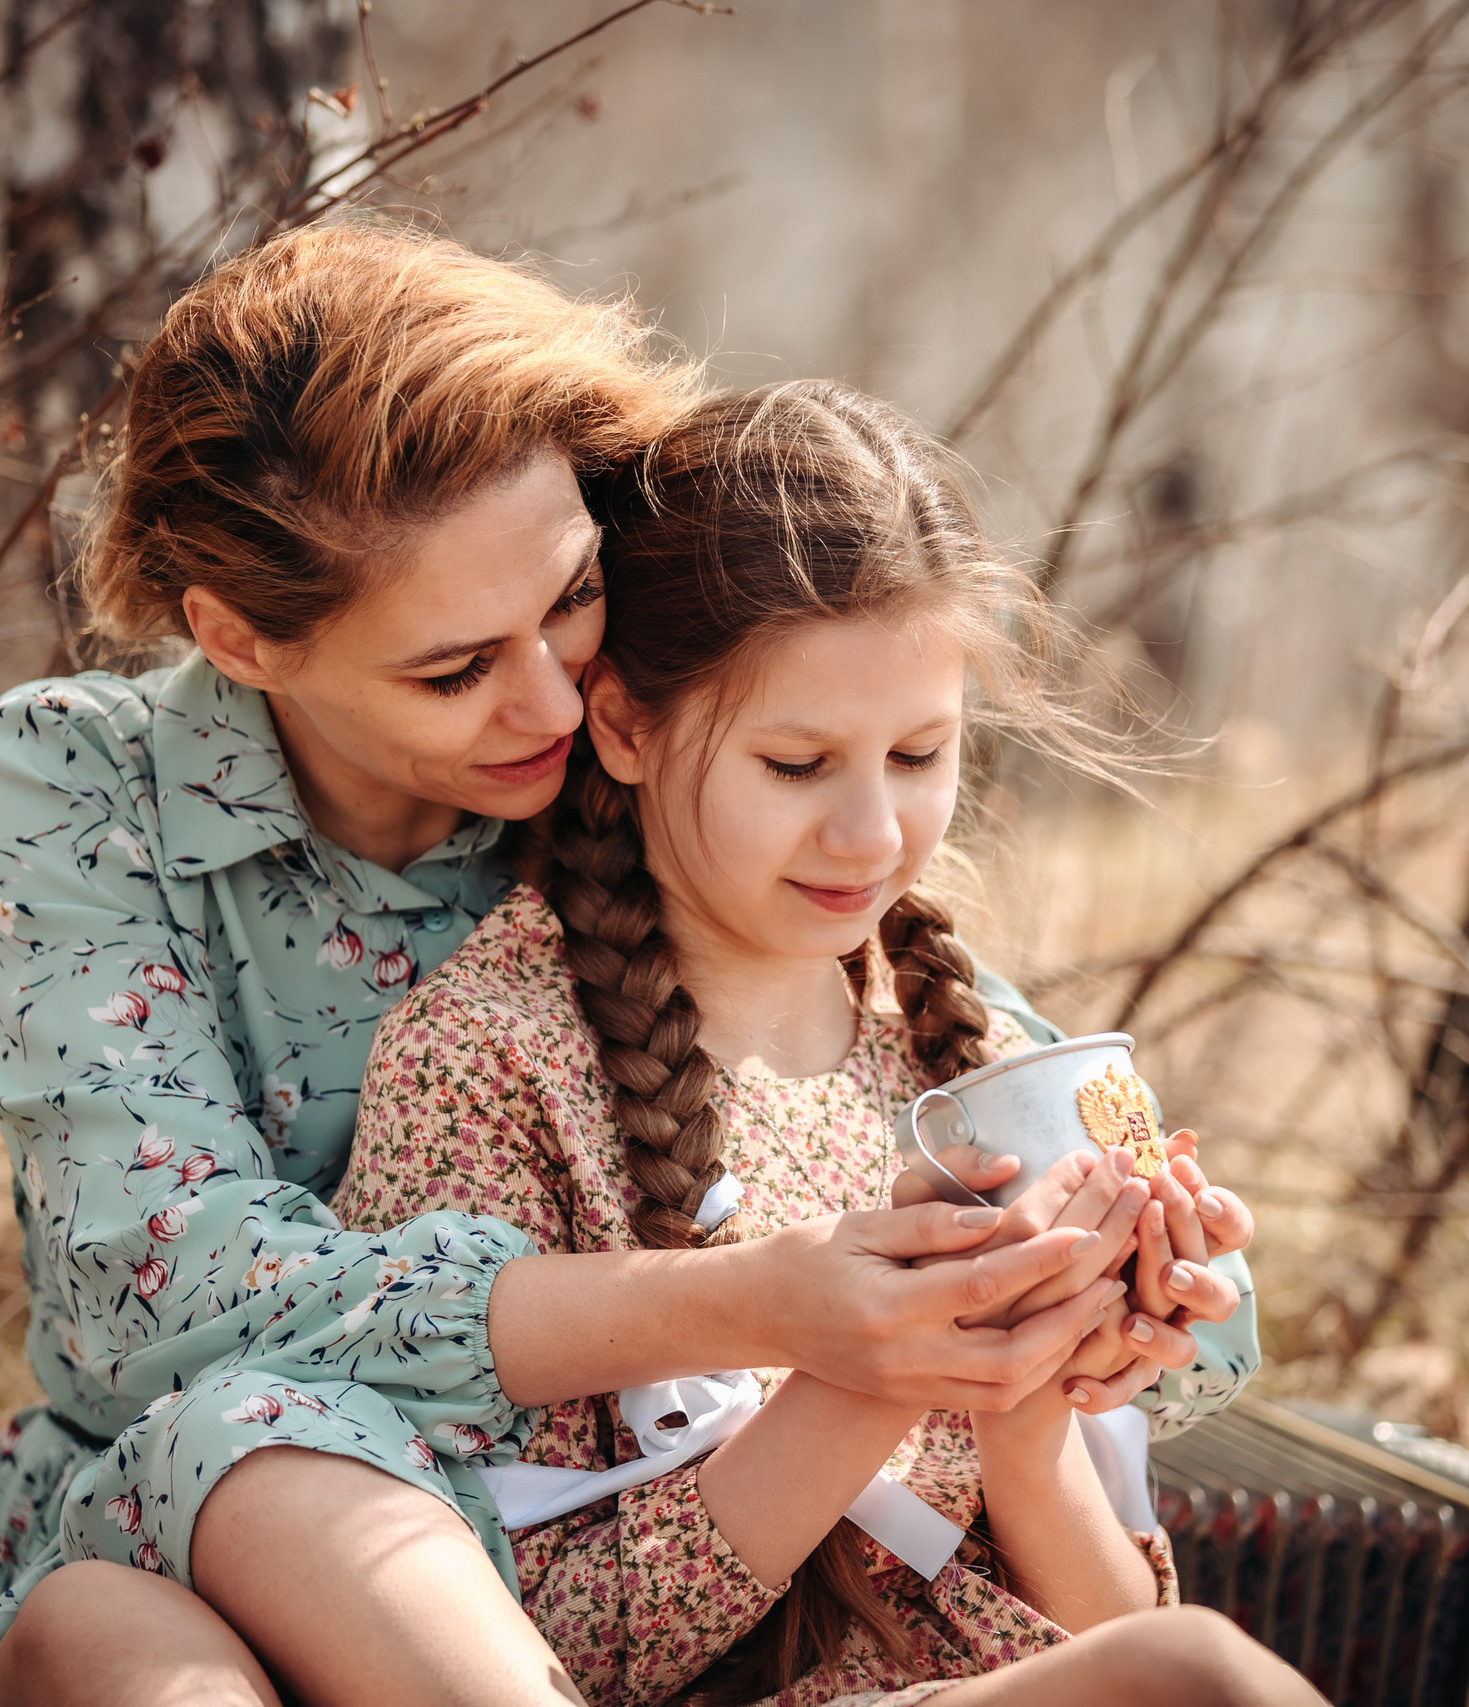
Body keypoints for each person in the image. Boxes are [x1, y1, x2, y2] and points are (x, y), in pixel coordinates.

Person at [0, 222, 1256, 1707]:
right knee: (223, 1518)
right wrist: (762, 1304)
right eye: (454, 668)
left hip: (596, 1584)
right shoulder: (88, 787)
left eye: (571, 600)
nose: (551, 699)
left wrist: (1122, 1272)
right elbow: (162, 1296)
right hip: (240, 1526)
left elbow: (977, 1086)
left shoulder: (648, 763)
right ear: (242, 640)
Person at [332, 381, 1298, 1706]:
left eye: (919, 754)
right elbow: (513, 1654)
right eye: (796, 765)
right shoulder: (488, 1065)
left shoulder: (964, 1051)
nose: (872, 836)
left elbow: (1115, 1630)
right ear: (623, 724)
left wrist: (1025, 1402)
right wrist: (884, 1366)